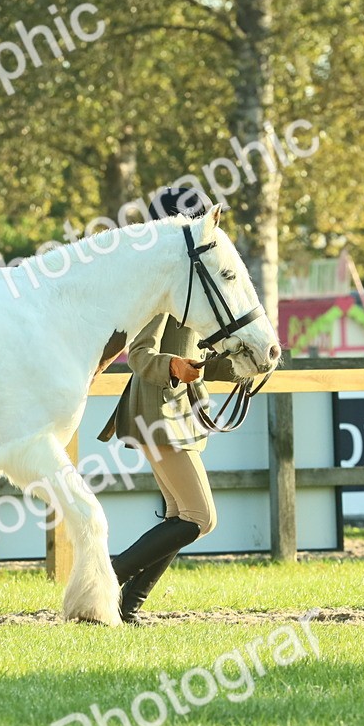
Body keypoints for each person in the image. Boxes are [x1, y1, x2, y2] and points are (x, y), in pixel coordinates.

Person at [98, 187, 238, 625]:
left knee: (180, 515)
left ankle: (127, 606)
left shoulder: (189, 282)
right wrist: (175, 366)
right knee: (201, 517)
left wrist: (239, 366)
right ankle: (104, 581)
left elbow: (194, 358)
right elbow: (140, 356)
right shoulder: (162, 286)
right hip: (159, 410)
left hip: (178, 409)